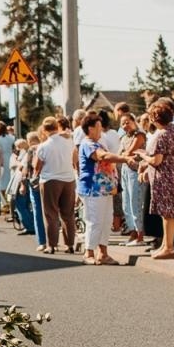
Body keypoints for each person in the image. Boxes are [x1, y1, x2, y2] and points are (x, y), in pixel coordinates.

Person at [133, 99, 174, 260]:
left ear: (154, 118)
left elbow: (156, 160)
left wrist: (142, 155)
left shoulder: (161, 136)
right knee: (173, 214)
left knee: (167, 214)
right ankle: (167, 245)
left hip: (166, 178)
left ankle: (168, 247)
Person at [77, 113, 121, 265]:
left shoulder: (98, 142)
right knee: (94, 221)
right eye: (98, 126)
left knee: (106, 220)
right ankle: (88, 253)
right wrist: (124, 159)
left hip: (105, 189)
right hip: (92, 189)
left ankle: (103, 253)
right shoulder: (88, 144)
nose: (101, 129)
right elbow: (101, 156)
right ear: (90, 128)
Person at [33, 116, 78, 255]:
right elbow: (74, 158)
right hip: (68, 179)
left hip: (50, 180)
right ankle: (70, 244)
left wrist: (35, 176)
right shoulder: (68, 141)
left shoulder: (43, 146)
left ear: (44, 129)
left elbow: (37, 166)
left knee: (50, 214)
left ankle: (52, 245)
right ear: (56, 127)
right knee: (68, 214)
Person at [117, 108, 146, 242]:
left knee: (136, 201)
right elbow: (120, 154)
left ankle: (140, 232)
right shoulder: (123, 137)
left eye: (127, 122)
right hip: (125, 169)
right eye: (122, 123)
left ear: (134, 122)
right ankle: (132, 230)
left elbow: (129, 151)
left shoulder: (139, 135)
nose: (125, 126)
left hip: (135, 170)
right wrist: (122, 155)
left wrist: (123, 154)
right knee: (126, 203)